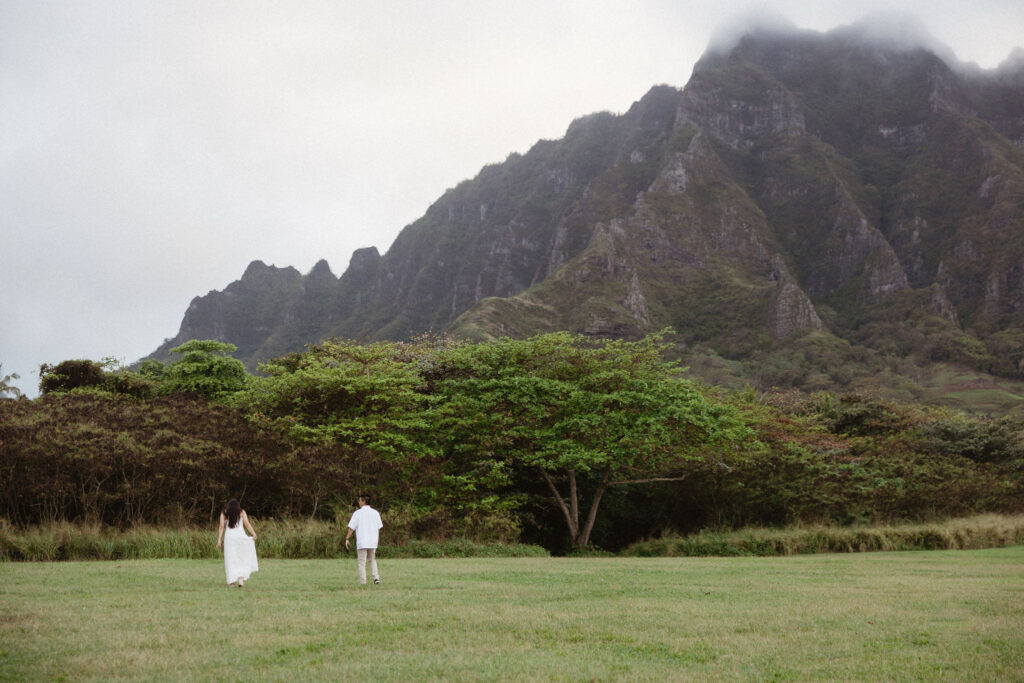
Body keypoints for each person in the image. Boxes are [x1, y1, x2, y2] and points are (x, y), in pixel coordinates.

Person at [216, 498, 258, 587]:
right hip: (240, 537)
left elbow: (221, 526)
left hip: (229, 538)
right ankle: (240, 579)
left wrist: (219, 539)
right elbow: (247, 524)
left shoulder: (224, 512)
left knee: (230, 559)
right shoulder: (242, 512)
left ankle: (231, 582)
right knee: (241, 558)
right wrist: (253, 534)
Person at [345, 494, 383, 585]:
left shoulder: (357, 513)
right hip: (373, 541)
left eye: (360, 500)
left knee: (362, 562)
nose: (359, 502)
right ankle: (376, 578)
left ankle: (363, 581)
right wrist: (376, 540)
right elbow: (378, 528)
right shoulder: (375, 513)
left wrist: (347, 538)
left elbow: (351, 528)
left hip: (362, 541)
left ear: (363, 501)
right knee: (372, 559)